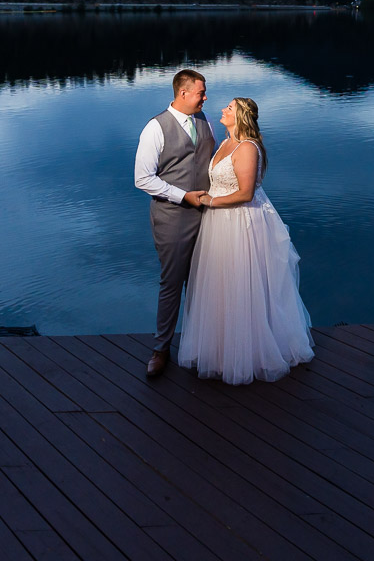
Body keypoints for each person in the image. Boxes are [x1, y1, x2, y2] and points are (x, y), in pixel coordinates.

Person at [175, 97, 314, 384]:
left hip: (239, 222)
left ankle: (251, 353)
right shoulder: (224, 142)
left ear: (241, 116)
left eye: (230, 107)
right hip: (218, 224)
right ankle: (222, 350)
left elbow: (245, 193)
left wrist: (210, 202)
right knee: (221, 284)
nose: (223, 110)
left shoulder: (248, 147)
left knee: (244, 283)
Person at [133, 68, 216, 378]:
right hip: (172, 218)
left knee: (203, 284)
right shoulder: (155, 128)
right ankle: (161, 349)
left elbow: (212, 161)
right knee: (172, 284)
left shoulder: (205, 121)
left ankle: (199, 346)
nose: (205, 98)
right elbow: (142, 179)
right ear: (183, 94)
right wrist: (183, 196)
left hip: (208, 216)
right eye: (201, 93)